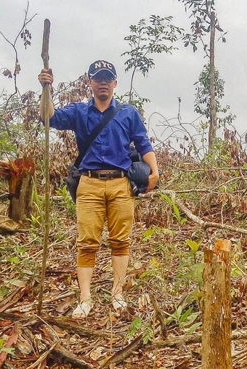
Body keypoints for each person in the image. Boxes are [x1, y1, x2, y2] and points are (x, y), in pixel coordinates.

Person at [38, 59, 160, 319]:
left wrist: (155, 172)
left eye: (107, 78)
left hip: (120, 183)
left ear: (115, 83)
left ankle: (117, 294)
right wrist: (46, 88)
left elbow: (143, 143)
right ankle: (85, 299)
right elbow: (49, 117)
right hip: (89, 183)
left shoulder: (128, 113)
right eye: (98, 78)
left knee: (120, 241)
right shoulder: (79, 112)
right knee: (87, 242)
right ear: (90, 82)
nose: (103, 82)